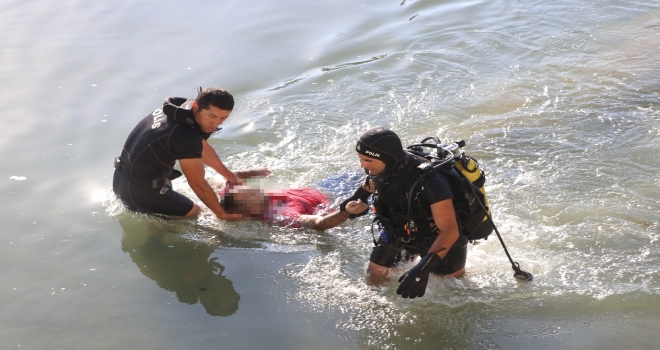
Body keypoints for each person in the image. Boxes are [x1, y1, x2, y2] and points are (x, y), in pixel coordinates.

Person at [300, 127, 467, 299]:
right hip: (398, 230)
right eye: (360, 159)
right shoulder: (378, 171)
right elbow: (363, 192)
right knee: (374, 284)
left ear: (387, 158)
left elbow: (449, 230)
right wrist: (358, 203)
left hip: (439, 237)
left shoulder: (431, 181)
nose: (362, 165)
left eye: (367, 160)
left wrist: (422, 269)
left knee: (452, 290)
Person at [113, 87, 263, 221]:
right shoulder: (184, 136)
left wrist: (229, 175)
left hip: (120, 178)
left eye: (223, 118)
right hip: (139, 192)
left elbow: (203, 148)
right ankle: (157, 225)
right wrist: (221, 214)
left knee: (203, 199)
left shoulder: (182, 110)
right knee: (195, 211)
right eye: (212, 117)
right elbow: (197, 183)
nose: (216, 124)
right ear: (197, 106)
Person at [210, 173, 368, 229]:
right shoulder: (282, 215)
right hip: (338, 196)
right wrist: (346, 212)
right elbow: (318, 224)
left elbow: (217, 178)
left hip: (321, 186)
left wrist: (252, 172)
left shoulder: (231, 194)